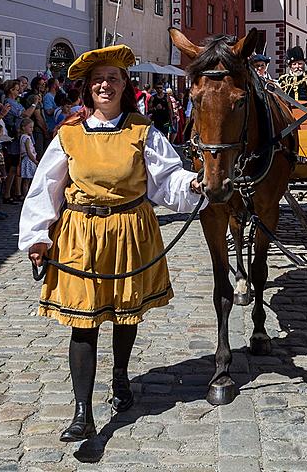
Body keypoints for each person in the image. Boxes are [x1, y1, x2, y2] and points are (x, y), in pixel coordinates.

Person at [19, 44, 204, 442]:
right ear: (88, 88)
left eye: (113, 78)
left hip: (129, 231)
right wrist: (37, 238)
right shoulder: (69, 133)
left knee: (125, 314)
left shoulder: (142, 131)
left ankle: (120, 375)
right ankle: (82, 411)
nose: (105, 85)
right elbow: (46, 187)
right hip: (81, 235)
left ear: (125, 86)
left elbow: (165, 179)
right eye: (99, 79)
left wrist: (192, 184)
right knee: (82, 323)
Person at [18, 118, 38, 197]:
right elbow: (28, 152)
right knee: (27, 180)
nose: (32, 129)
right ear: (24, 127)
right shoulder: (26, 138)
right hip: (28, 160)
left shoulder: (24, 137)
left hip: (28, 159)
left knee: (28, 180)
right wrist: (35, 161)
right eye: (30, 127)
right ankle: (26, 196)